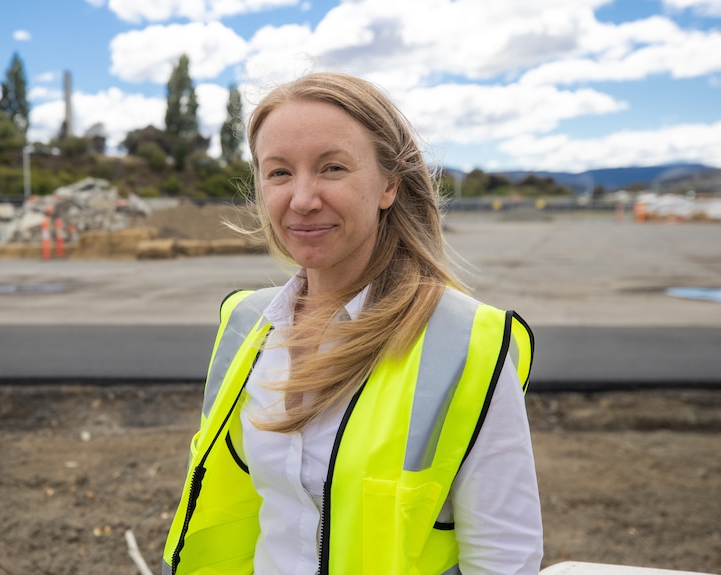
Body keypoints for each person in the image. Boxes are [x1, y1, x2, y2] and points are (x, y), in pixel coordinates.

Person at [162, 72, 543, 575]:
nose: (301, 198)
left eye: (332, 168)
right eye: (278, 173)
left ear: (389, 184)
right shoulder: (246, 323)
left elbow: (503, 558)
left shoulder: (465, 345)